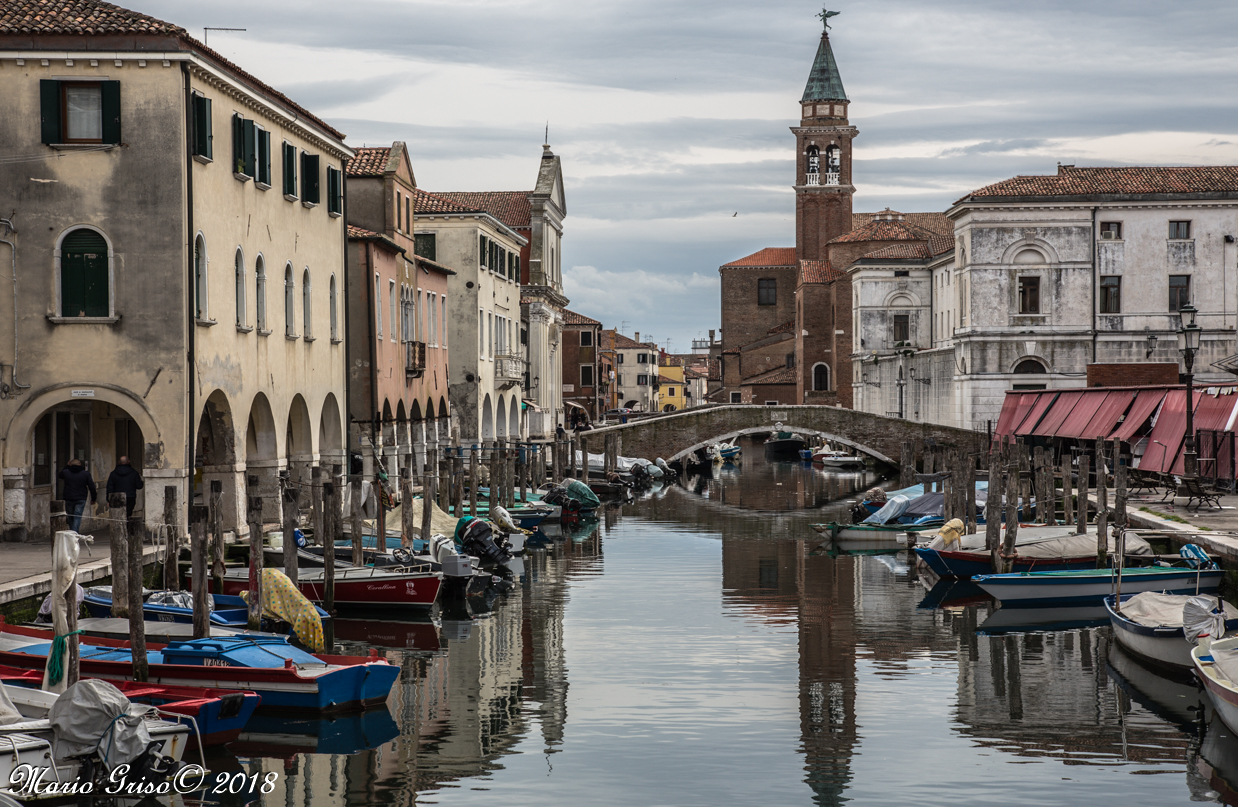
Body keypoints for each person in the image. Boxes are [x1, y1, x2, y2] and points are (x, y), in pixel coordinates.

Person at [57, 458, 96, 532]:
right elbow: (92, 487)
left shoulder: (66, 472)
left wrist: (67, 466)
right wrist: (93, 498)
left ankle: (72, 532)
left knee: (70, 516)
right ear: (80, 464)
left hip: (69, 497)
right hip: (81, 498)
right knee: (77, 516)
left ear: (71, 465)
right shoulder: (85, 474)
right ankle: (74, 533)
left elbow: (60, 475)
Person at [106, 455, 144, 519]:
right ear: (128, 461)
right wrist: (141, 482)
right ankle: (127, 527)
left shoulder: (113, 474)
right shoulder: (134, 473)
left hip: (116, 497)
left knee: (118, 516)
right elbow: (139, 486)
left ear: (119, 462)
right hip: (130, 496)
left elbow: (110, 487)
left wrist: (108, 500)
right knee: (128, 514)